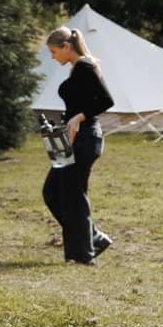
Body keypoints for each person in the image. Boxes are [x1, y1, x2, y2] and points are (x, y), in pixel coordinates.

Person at [43, 23, 114, 267]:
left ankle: (83, 255)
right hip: (67, 136)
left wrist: (78, 117)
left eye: (54, 52)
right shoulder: (77, 67)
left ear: (66, 46)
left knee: (73, 195)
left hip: (84, 138)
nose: (53, 58)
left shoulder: (85, 65)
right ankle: (93, 237)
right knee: (52, 192)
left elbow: (106, 100)